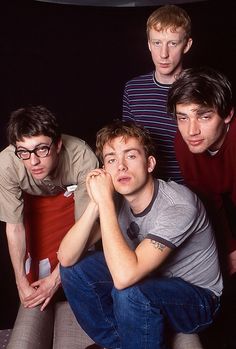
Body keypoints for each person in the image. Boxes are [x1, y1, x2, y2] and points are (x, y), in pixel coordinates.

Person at [58, 120, 222, 349]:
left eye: (131, 156)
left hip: (197, 300)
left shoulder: (179, 205)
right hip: (149, 281)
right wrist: (96, 202)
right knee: (74, 269)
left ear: (150, 163)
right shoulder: (113, 199)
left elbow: (125, 278)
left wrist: (105, 203)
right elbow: (65, 257)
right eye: (111, 160)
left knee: (131, 292)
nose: (121, 167)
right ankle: (118, 343)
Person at [0, 105, 99, 347]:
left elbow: (86, 227)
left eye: (42, 149)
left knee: (81, 271)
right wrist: (21, 283)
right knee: (33, 279)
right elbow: (14, 227)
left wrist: (56, 280)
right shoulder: (6, 163)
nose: (33, 161)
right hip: (35, 208)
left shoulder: (82, 156)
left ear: (57, 145)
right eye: (23, 152)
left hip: (74, 209)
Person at [167, 66, 236, 349]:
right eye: (183, 118)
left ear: (228, 114)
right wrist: (230, 248)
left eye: (204, 116)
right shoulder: (184, 145)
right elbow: (209, 200)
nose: (191, 130)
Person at [122, 4, 193, 183]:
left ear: (186, 45)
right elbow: (128, 145)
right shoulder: (133, 88)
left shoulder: (199, 89)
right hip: (144, 187)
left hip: (190, 189)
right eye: (157, 43)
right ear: (148, 45)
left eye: (173, 43)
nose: (163, 54)